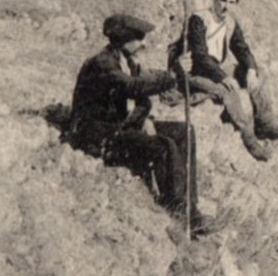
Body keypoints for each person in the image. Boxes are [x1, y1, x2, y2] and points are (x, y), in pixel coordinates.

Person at [67, 13, 210, 236]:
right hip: (99, 135)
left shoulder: (128, 61)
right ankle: (177, 209)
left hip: (122, 126)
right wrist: (171, 77)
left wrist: (178, 72)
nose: (143, 43)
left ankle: (192, 209)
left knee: (184, 132)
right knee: (163, 146)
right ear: (123, 38)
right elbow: (134, 88)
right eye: (139, 38)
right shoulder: (102, 64)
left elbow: (146, 84)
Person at [174, 0, 278, 161]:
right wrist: (223, 77)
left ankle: (264, 122)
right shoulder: (199, 19)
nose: (225, 6)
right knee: (228, 90)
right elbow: (200, 55)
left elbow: (242, 49)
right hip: (195, 72)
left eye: (230, 3)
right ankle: (250, 139)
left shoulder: (230, 24)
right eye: (223, 0)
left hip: (215, 70)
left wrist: (250, 69)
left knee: (260, 71)